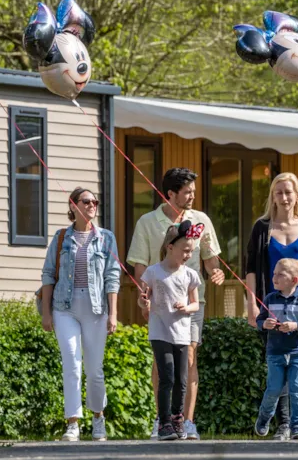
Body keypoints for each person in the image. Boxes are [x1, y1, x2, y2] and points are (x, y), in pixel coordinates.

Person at [127, 167, 224, 440]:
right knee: (162, 363)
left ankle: (187, 421)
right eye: (187, 192)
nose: (192, 196)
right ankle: (163, 420)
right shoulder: (147, 222)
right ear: (170, 193)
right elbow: (140, 265)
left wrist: (216, 271)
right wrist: (144, 299)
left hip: (193, 302)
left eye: (193, 191)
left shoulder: (201, 220)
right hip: (160, 305)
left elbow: (211, 260)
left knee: (189, 358)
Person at [244, 171, 298, 440]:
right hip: (272, 307)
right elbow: (250, 269)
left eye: (288, 192)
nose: (284, 197)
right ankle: (283, 424)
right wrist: (252, 304)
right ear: (273, 196)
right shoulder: (262, 228)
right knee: (278, 365)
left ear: (297, 196)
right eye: (278, 192)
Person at [40, 187, 121, 442]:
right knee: (72, 366)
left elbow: (112, 276)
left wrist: (113, 314)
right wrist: (46, 313)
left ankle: (98, 418)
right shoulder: (61, 237)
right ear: (73, 206)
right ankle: (73, 423)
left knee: (94, 369)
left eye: (95, 201)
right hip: (64, 308)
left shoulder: (106, 237)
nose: (92, 205)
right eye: (86, 201)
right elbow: (48, 274)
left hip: (96, 309)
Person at [138, 219, 204, 442]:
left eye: (191, 251)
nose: (188, 255)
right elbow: (143, 299)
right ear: (170, 247)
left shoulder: (190, 274)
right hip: (160, 332)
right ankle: (164, 422)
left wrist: (186, 307)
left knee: (181, 379)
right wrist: (143, 302)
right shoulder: (153, 272)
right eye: (185, 250)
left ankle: (178, 418)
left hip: (182, 334)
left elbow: (195, 304)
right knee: (166, 376)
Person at [254, 258, 298, 440]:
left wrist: (295, 326)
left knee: (297, 390)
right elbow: (259, 321)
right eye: (274, 273)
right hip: (275, 353)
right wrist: (265, 324)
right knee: (273, 389)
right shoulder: (270, 299)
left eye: (280, 274)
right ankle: (264, 418)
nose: (274, 277)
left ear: (294, 280)